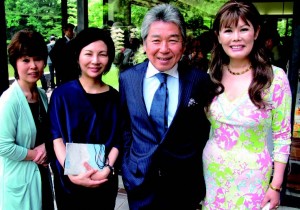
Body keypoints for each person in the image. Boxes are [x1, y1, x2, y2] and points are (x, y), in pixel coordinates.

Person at [119, 4, 211, 210]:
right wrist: (127, 168)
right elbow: (125, 128)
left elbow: (202, 131)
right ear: (144, 43)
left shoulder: (199, 80)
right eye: (156, 40)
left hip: (184, 185)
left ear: (183, 44)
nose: (164, 49)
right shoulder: (128, 78)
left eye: (173, 40)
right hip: (140, 181)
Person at [202, 1, 292, 210]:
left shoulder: (274, 78)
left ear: (256, 32)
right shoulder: (211, 75)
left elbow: (282, 136)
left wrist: (276, 186)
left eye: (243, 29)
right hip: (213, 174)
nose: (236, 38)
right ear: (218, 35)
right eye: (228, 30)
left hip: (253, 179)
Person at [48, 27, 120, 210]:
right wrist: (71, 172)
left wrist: (108, 169)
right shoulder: (62, 95)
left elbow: (120, 138)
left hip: (103, 180)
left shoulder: (115, 98)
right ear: (78, 55)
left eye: (102, 54)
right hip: (69, 183)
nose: (95, 61)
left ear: (109, 58)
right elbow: (56, 136)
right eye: (88, 53)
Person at [0, 29, 54, 210]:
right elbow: (3, 146)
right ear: (15, 63)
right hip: (20, 181)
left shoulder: (41, 95)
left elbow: (45, 133)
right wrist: (36, 155)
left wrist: (46, 147)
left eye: (37, 59)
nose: (33, 66)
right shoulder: (9, 100)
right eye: (26, 60)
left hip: (41, 176)